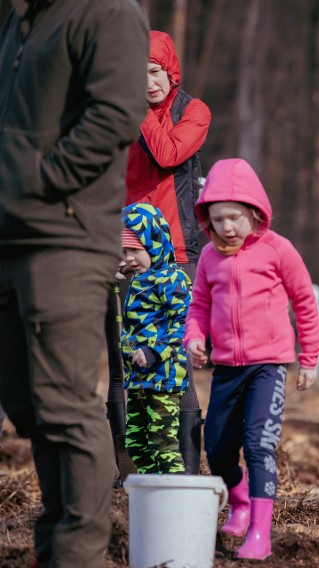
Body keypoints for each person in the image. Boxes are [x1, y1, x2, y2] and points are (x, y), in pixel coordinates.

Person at [0, 1, 149, 566]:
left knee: (65, 407)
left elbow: (114, 115)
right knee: (27, 405)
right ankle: (55, 547)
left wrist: (41, 182)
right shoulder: (18, 19)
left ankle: (79, 554)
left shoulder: (107, 10)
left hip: (66, 235)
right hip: (8, 240)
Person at [184, 158, 319, 561]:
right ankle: (240, 502)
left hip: (269, 366)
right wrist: (194, 337)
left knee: (258, 444)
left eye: (234, 217)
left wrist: (309, 357)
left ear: (254, 212)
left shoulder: (279, 250)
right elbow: (199, 306)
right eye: (218, 218)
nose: (227, 227)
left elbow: (304, 303)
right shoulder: (210, 257)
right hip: (226, 368)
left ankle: (260, 532)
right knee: (219, 448)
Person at [116, 28, 212, 474]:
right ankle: (130, 475)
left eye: (153, 73)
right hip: (123, 251)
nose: (148, 83)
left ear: (170, 70)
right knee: (125, 357)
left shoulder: (194, 111)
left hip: (175, 251)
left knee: (172, 361)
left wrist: (138, 110)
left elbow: (168, 152)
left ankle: (186, 473)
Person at [120, 203, 192, 475]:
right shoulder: (140, 278)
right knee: (136, 444)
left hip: (164, 377)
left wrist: (154, 351)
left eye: (135, 250)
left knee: (163, 444)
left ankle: (175, 497)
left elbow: (185, 322)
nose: (129, 258)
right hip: (139, 378)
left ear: (154, 244)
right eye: (124, 251)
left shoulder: (171, 279)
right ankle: (153, 492)